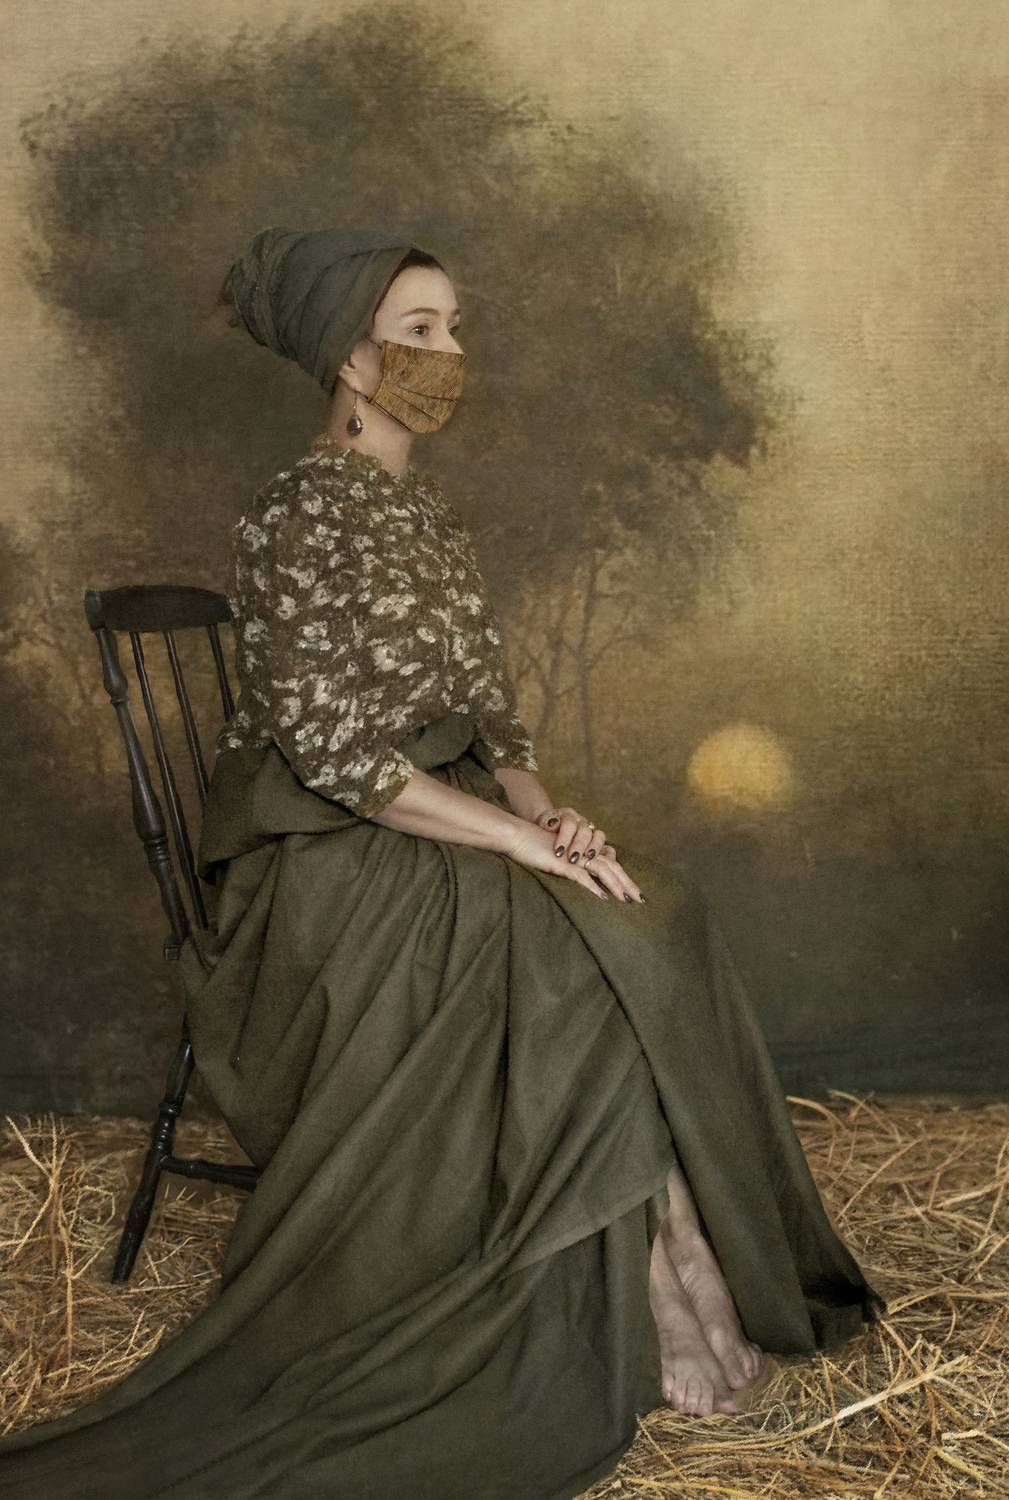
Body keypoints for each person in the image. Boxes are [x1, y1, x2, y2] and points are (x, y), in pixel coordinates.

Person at [0, 226, 886, 1499]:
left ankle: (682, 1229)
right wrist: (515, 842)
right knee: (553, 942)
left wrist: (552, 818)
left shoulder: (427, 515)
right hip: (318, 852)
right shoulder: (295, 512)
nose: (449, 352)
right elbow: (329, 754)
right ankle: (660, 1262)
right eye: (419, 331)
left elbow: (495, 723)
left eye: (453, 327)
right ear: (349, 358)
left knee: (643, 909)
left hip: (442, 807)